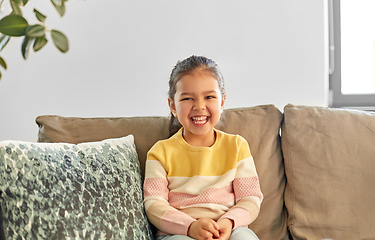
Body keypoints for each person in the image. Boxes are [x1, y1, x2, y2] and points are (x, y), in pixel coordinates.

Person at [143, 55, 263, 240]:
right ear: (172, 105)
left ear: (222, 102)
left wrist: (228, 222)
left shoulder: (237, 146)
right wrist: (190, 226)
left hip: (229, 230)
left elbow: (251, 199)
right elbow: (154, 204)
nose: (199, 106)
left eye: (209, 97)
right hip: (179, 233)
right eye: (188, 98)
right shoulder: (159, 153)